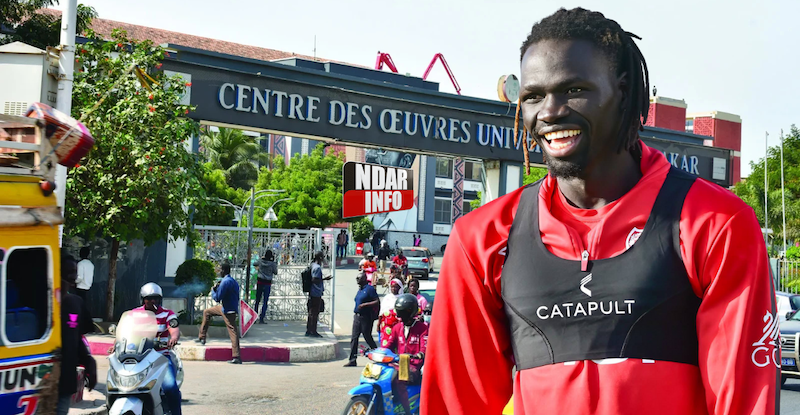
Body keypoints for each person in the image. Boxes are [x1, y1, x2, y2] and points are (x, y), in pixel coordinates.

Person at [422, 8, 777, 415]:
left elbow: (744, 401)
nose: (550, 112)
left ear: (622, 92)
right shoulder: (482, 238)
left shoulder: (714, 222)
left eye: (573, 90)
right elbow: (455, 404)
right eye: (534, 96)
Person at [132, 282, 182, 415]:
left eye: (155, 298)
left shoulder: (167, 314)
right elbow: (125, 331)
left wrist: (173, 338)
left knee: (170, 387)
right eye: (149, 298)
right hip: (137, 357)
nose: (152, 301)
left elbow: (174, 328)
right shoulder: (135, 314)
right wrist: (115, 344)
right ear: (143, 299)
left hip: (160, 358)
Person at [56, 254, 96, 415]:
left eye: (74, 272)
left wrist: (89, 361)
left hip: (65, 383)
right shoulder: (42, 301)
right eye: (68, 272)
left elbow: (77, 339)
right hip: (41, 383)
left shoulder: (76, 303)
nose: (73, 276)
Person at [384, 294, 428, 415]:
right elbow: (388, 346)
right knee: (382, 375)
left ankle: (407, 411)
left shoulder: (422, 328)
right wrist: (378, 352)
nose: (400, 317)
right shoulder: (397, 327)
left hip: (413, 367)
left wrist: (419, 355)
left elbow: (424, 348)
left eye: (402, 314)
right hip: (398, 364)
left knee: (398, 380)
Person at [197, 263, 242, 364]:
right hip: (228, 308)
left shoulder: (225, 282)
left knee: (233, 331)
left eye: (220, 269)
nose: (219, 271)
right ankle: (202, 337)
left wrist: (213, 290)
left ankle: (236, 356)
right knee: (207, 312)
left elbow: (217, 298)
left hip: (228, 310)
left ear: (224, 271)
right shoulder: (233, 281)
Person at [344, 271, 379, 367]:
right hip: (357, 317)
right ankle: (352, 360)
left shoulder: (369, 289)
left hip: (365, 317)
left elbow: (376, 301)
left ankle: (378, 355)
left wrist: (365, 305)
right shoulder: (360, 289)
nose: (357, 280)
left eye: (358, 278)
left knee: (367, 337)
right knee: (354, 338)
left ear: (364, 279)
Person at [307, 251, 332, 337]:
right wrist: (324, 279)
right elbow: (314, 280)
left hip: (312, 291)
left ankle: (309, 330)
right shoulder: (317, 267)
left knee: (311, 312)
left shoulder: (312, 265)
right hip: (316, 292)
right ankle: (313, 331)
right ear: (320, 258)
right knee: (315, 312)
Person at [255, 250, 278, 324]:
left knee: (257, 300)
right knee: (265, 301)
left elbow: (254, 263)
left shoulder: (260, 261)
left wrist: (261, 258)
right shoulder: (272, 264)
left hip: (260, 282)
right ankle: (261, 318)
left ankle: (254, 317)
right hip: (267, 283)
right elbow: (275, 272)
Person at [378, 278, 404, 343]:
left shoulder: (403, 298)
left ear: (400, 288)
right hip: (386, 326)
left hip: (399, 326)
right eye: (392, 287)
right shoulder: (387, 298)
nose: (393, 289)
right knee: (386, 343)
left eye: (396, 287)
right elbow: (381, 312)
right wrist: (378, 324)